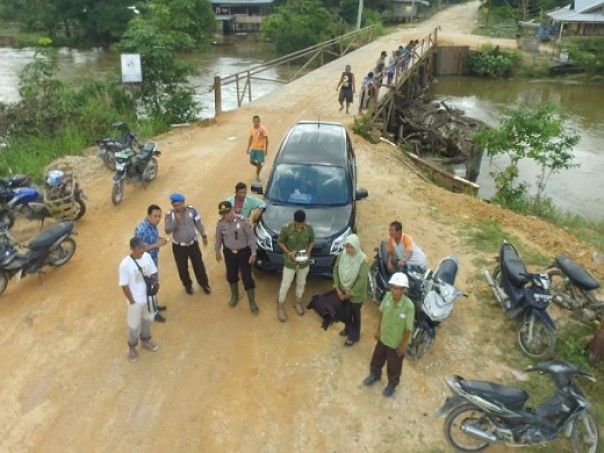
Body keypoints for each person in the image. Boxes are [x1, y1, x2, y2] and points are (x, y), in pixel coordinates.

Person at [362, 272, 414, 397]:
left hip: (396, 342)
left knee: (394, 366)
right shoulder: (387, 297)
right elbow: (382, 313)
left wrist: (403, 345)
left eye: (398, 288)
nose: (395, 291)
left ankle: (392, 384)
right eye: (393, 287)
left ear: (404, 289)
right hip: (384, 337)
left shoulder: (409, 306)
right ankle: (375, 374)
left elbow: (408, 328)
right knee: (377, 358)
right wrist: (378, 329)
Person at [119, 237, 160, 363]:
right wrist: (132, 300)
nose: (143, 249)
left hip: (149, 297)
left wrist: (156, 285)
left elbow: (154, 272)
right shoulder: (125, 265)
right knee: (133, 325)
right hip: (135, 302)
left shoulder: (147, 257)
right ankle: (132, 347)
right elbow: (124, 285)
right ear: (132, 248)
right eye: (140, 247)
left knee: (148, 320)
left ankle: (146, 340)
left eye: (143, 246)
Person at [215, 200, 259, 315]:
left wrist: (253, 252)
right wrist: (217, 251)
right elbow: (219, 238)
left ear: (232, 210)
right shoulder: (220, 224)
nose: (225, 216)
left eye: (227, 213)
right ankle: (235, 296)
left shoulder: (243, 221)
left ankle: (252, 302)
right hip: (229, 253)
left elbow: (251, 237)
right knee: (231, 275)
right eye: (223, 214)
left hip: (243, 253)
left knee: (247, 277)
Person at [164, 193, 211, 296]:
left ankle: (204, 284)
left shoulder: (191, 210)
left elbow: (198, 223)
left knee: (199, 265)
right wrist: (175, 221)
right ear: (172, 205)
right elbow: (167, 230)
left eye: (180, 204)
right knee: (182, 267)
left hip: (193, 244)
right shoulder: (170, 215)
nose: (178, 207)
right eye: (175, 205)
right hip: (179, 247)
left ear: (184, 202)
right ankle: (187, 285)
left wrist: (203, 235)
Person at [277, 209, 315, 322]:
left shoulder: (309, 228)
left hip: (303, 263)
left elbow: (312, 241)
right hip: (290, 262)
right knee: (285, 284)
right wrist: (289, 253)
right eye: (298, 223)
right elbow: (280, 242)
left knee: (301, 283)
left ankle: (297, 303)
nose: (300, 225)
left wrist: (308, 252)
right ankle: (281, 307)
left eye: (302, 223)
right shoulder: (286, 228)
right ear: (294, 220)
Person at [332, 234, 369, 346]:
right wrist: (337, 288)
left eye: (351, 247)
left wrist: (351, 293)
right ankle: (347, 329)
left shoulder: (363, 260)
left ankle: (354, 336)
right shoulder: (342, 255)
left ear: (357, 247)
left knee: (355, 314)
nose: (349, 249)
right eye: (347, 246)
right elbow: (335, 270)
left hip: (356, 295)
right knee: (346, 312)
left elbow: (361, 279)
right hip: (343, 290)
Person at [134, 204, 169, 322]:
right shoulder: (141, 229)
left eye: (159, 216)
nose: (158, 219)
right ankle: (153, 312)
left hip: (153, 259)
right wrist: (156, 245)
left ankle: (154, 305)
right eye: (155, 216)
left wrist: (159, 239)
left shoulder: (153, 226)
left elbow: (152, 239)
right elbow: (138, 250)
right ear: (148, 216)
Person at [246, 115, 268, 182]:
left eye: (257, 122)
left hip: (260, 149)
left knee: (259, 161)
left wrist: (266, 149)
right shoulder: (251, 128)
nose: (255, 123)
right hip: (253, 147)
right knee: (251, 161)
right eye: (254, 122)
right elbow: (250, 138)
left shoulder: (263, 129)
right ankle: (259, 166)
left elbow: (266, 139)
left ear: (259, 121)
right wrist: (248, 148)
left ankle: (257, 175)